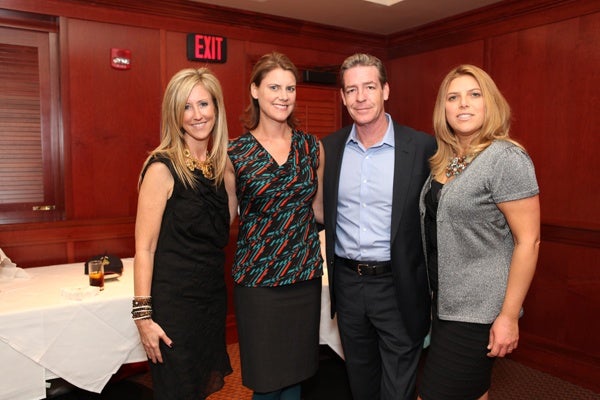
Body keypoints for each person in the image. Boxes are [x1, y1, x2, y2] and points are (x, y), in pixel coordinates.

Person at [417, 64, 540, 400]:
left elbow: (528, 241)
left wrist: (509, 317)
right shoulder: (446, 160)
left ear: (490, 104)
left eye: (474, 95)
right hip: (445, 305)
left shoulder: (505, 158)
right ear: (443, 109)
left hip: (479, 312)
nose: (463, 104)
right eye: (453, 97)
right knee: (474, 392)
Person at [321, 53, 436, 400]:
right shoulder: (329, 149)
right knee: (361, 380)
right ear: (342, 97)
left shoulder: (421, 147)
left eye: (369, 87)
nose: (361, 97)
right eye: (352, 89)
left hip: (398, 284)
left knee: (398, 386)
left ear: (385, 90)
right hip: (347, 283)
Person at [225, 52, 324, 400]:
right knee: (267, 382)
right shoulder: (234, 153)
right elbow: (224, 219)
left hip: (304, 277)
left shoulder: (312, 148)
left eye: (290, 88)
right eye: (274, 87)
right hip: (258, 283)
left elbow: (320, 211)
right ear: (255, 90)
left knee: (296, 376)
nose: (283, 95)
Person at [132, 67, 232, 399]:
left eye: (203, 104)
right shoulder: (162, 168)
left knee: (199, 389)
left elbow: (222, 231)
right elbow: (144, 248)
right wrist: (143, 318)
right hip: (174, 308)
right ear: (174, 114)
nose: (196, 115)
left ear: (216, 108)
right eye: (186, 107)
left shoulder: (222, 170)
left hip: (211, 302)